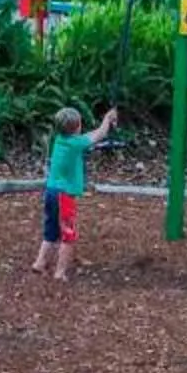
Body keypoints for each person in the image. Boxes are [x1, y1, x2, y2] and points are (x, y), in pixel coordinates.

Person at [32, 103, 118, 283]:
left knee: (51, 230)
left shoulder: (60, 140)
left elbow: (89, 136)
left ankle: (40, 262)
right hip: (64, 196)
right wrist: (107, 119)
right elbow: (98, 135)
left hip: (51, 192)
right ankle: (60, 273)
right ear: (77, 126)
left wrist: (105, 122)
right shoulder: (75, 144)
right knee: (68, 235)